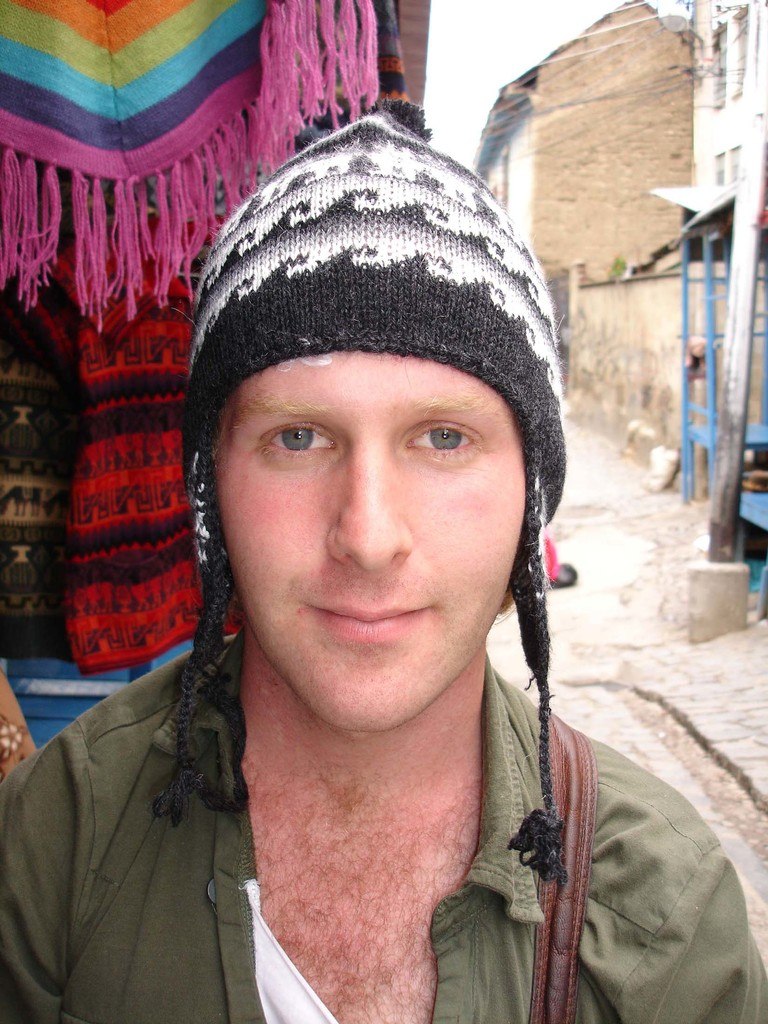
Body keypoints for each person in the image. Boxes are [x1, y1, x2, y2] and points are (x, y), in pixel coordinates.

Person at [0, 102, 765, 1024]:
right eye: (297, 438)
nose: (366, 536)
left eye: (442, 437)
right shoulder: (60, 835)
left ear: (535, 494)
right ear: (210, 490)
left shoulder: (666, 919)